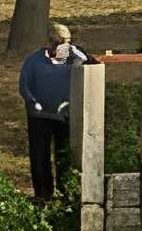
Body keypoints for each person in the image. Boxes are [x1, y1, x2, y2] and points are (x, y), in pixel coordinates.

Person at [18, 23, 89, 201]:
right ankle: (43, 194)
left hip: (63, 115)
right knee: (39, 154)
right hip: (39, 117)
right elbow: (24, 85)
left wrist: (76, 52)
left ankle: (66, 193)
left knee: (63, 154)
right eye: (60, 43)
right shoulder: (34, 60)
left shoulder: (73, 59)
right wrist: (33, 102)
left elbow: (92, 63)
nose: (63, 48)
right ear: (50, 44)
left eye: (67, 43)